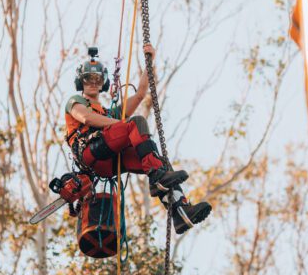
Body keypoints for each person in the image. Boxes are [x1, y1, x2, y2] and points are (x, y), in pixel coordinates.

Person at [64, 45, 212, 235]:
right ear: (81, 82)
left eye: (97, 79)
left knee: (162, 163)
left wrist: (150, 62)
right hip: (90, 154)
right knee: (136, 124)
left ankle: (181, 213)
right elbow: (87, 118)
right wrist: (119, 124)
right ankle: (156, 176)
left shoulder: (109, 113)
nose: (93, 83)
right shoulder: (76, 102)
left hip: (109, 161)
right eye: (88, 79)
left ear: (103, 83)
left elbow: (141, 93)